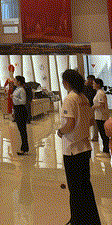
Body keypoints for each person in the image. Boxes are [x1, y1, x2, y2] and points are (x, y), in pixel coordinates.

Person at [57, 69, 101, 225]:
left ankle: (77, 221)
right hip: (85, 148)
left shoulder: (70, 99)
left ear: (66, 82)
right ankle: (91, 220)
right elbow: (91, 121)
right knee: (85, 187)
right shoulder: (84, 98)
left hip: (72, 150)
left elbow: (69, 124)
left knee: (75, 190)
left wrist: (60, 131)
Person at [12, 75, 29, 156]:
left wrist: (14, 97)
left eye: (15, 80)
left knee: (22, 130)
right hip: (17, 109)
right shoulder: (16, 89)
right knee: (21, 130)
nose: (14, 81)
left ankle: (24, 148)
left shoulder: (21, 90)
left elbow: (23, 101)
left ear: (19, 82)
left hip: (21, 110)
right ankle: (24, 148)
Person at [93, 78, 110, 157]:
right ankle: (105, 150)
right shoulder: (98, 92)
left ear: (98, 84)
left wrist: (93, 107)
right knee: (103, 134)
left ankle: (106, 151)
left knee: (104, 134)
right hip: (99, 116)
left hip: (101, 117)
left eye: (94, 83)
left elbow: (101, 105)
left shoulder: (100, 93)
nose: (93, 85)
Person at [84, 74, 97, 141]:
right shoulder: (85, 87)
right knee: (86, 122)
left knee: (94, 122)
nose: (88, 81)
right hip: (87, 107)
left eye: (89, 80)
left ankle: (95, 136)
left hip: (93, 107)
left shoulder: (94, 88)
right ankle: (87, 136)